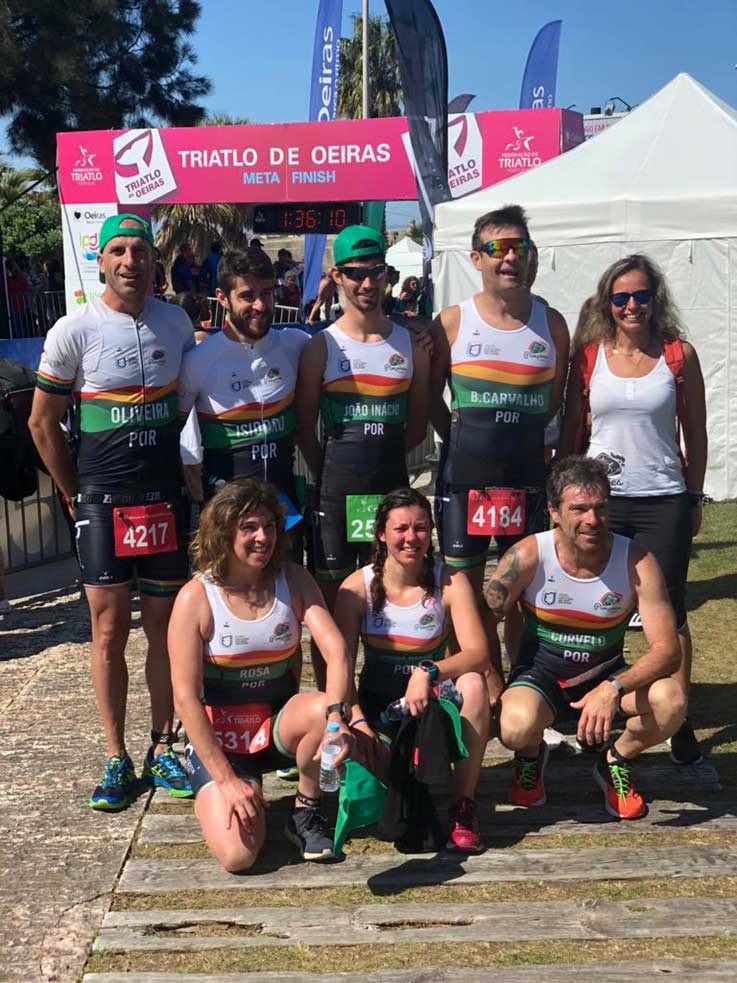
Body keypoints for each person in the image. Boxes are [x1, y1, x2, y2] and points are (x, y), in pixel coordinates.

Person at [29, 213, 195, 811]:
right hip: (103, 504)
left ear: (155, 260)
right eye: (118, 251)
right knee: (106, 633)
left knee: (164, 631)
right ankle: (115, 757)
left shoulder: (176, 324)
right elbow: (41, 423)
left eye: (140, 251)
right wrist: (74, 491)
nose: (130, 261)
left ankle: (164, 745)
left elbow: (185, 408)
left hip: (163, 500)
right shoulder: (74, 328)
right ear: (100, 261)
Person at [558, 255, 707, 766]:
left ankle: (679, 720)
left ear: (655, 298)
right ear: (607, 303)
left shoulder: (677, 355)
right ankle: (589, 702)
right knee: (599, 601)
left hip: (662, 498)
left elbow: (697, 434)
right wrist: (562, 498)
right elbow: (574, 433)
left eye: (641, 295)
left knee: (671, 609)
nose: (631, 305)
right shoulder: (589, 357)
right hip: (603, 500)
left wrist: (693, 496)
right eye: (620, 297)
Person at [485, 456, 685, 820]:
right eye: (578, 509)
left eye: (600, 508)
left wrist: (612, 688)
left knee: (671, 701)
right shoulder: (528, 554)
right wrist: (493, 680)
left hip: (604, 677)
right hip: (541, 678)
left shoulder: (636, 561)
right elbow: (483, 618)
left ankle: (615, 760)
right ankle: (530, 757)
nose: (591, 520)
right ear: (554, 511)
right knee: (513, 727)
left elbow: (668, 651)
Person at [169, 479, 355, 870]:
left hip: (275, 730)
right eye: (249, 528)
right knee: (239, 856)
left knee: (323, 708)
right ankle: (225, 793)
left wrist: (338, 720)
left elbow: (337, 651)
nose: (263, 538)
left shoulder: (294, 579)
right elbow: (185, 699)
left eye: (270, 526)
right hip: (223, 743)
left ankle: (304, 810)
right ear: (223, 534)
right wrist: (226, 781)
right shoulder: (195, 597)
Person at [429, 205, 570, 683]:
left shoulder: (552, 325)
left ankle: (522, 679)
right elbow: (431, 400)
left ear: (532, 256)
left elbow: (551, 405)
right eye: (497, 248)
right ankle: (480, 681)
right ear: (476, 258)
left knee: (523, 588)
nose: (509, 257)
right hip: (464, 478)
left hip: (525, 478)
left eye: (519, 247)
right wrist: (462, 441)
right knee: (464, 591)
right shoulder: (450, 322)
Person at [296, 225, 430, 687]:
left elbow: (416, 428)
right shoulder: (321, 347)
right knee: (332, 615)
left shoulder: (412, 343)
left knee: (391, 600)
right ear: (336, 276)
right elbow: (304, 428)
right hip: (336, 496)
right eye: (356, 274)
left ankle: (383, 698)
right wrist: (330, 476)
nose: (368, 284)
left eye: (377, 273)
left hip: (390, 490)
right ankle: (334, 705)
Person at [334, 488, 494, 852]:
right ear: (381, 534)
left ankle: (463, 804)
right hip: (379, 705)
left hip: (432, 699)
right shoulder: (355, 588)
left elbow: (479, 654)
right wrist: (356, 718)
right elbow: (337, 664)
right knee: (394, 797)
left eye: (420, 528)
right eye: (400, 529)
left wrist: (428, 671)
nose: (411, 538)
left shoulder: (450, 581)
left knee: (473, 684)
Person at [178, 247, 310, 522]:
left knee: (293, 568)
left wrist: (422, 332)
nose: (260, 305)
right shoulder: (198, 361)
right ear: (222, 298)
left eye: (267, 293)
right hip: (227, 517)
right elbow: (170, 438)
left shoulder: (296, 344)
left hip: (285, 512)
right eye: (247, 296)